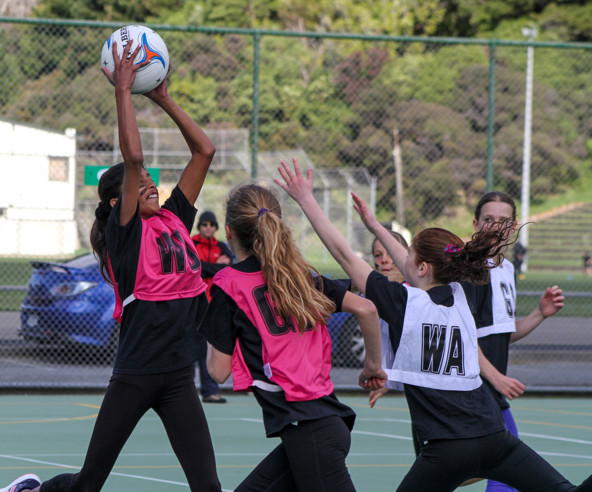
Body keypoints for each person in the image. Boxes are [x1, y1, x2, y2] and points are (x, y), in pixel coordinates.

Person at [276, 158, 592, 492]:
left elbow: (344, 254)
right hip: (493, 437)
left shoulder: (403, 303)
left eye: (408, 254)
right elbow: (418, 265)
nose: (402, 259)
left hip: (447, 447)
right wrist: (375, 226)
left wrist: (307, 200)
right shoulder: (459, 296)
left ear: (423, 267)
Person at [1, 40, 222, 492]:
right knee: (88, 486)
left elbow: (205, 151)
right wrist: (123, 91)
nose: (149, 184)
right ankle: (35, 490)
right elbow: (134, 157)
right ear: (118, 201)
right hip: (136, 375)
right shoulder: (126, 237)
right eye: (139, 184)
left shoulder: (174, 218)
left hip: (180, 376)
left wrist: (162, 98)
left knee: (209, 487)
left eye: (150, 181)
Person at [200, 183, 387, 491]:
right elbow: (367, 309)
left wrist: (210, 323)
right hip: (319, 427)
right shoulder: (301, 278)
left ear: (229, 232)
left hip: (310, 431)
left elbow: (217, 372)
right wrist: (373, 366)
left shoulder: (229, 285)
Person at [464, 191, 564, 492]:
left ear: (513, 226)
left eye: (504, 221)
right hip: (472, 386)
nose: (496, 227)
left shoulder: (505, 268)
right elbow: (462, 335)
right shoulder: (471, 270)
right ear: (475, 224)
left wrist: (539, 314)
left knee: (498, 465)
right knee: (502, 463)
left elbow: (500, 333)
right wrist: (495, 377)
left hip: (491, 389)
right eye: (488, 220)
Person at [191, 210, 233, 403]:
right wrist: (213, 266)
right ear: (199, 226)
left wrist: (207, 267)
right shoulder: (191, 243)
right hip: (192, 303)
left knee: (209, 347)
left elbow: (227, 269)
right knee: (190, 346)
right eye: (204, 224)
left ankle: (210, 392)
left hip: (213, 304)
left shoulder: (222, 246)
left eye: (212, 224)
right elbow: (193, 268)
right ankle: (187, 391)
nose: (208, 227)